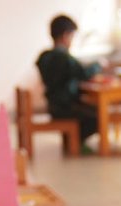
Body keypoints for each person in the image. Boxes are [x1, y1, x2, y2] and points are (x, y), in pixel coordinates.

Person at [35, 15, 101, 147]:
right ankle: (75, 143)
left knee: (90, 110)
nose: (72, 41)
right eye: (72, 36)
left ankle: (71, 141)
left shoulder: (44, 56)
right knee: (99, 116)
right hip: (66, 107)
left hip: (53, 106)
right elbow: (83, 73)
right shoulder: (63, 57)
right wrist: (98, 65)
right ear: (66, 35)